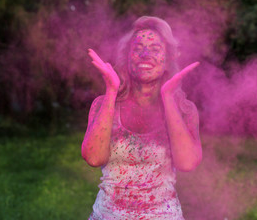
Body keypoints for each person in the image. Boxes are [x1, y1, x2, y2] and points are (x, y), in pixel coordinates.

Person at [82, 16, 202, 220]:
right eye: (138, 48)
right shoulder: (104, 104)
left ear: (168, 59)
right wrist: (111, 90)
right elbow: (94, 158)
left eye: (155, 49)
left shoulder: (184, 110)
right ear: (127, 57)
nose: (145, 55)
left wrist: (168, 97)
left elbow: (187, 163)